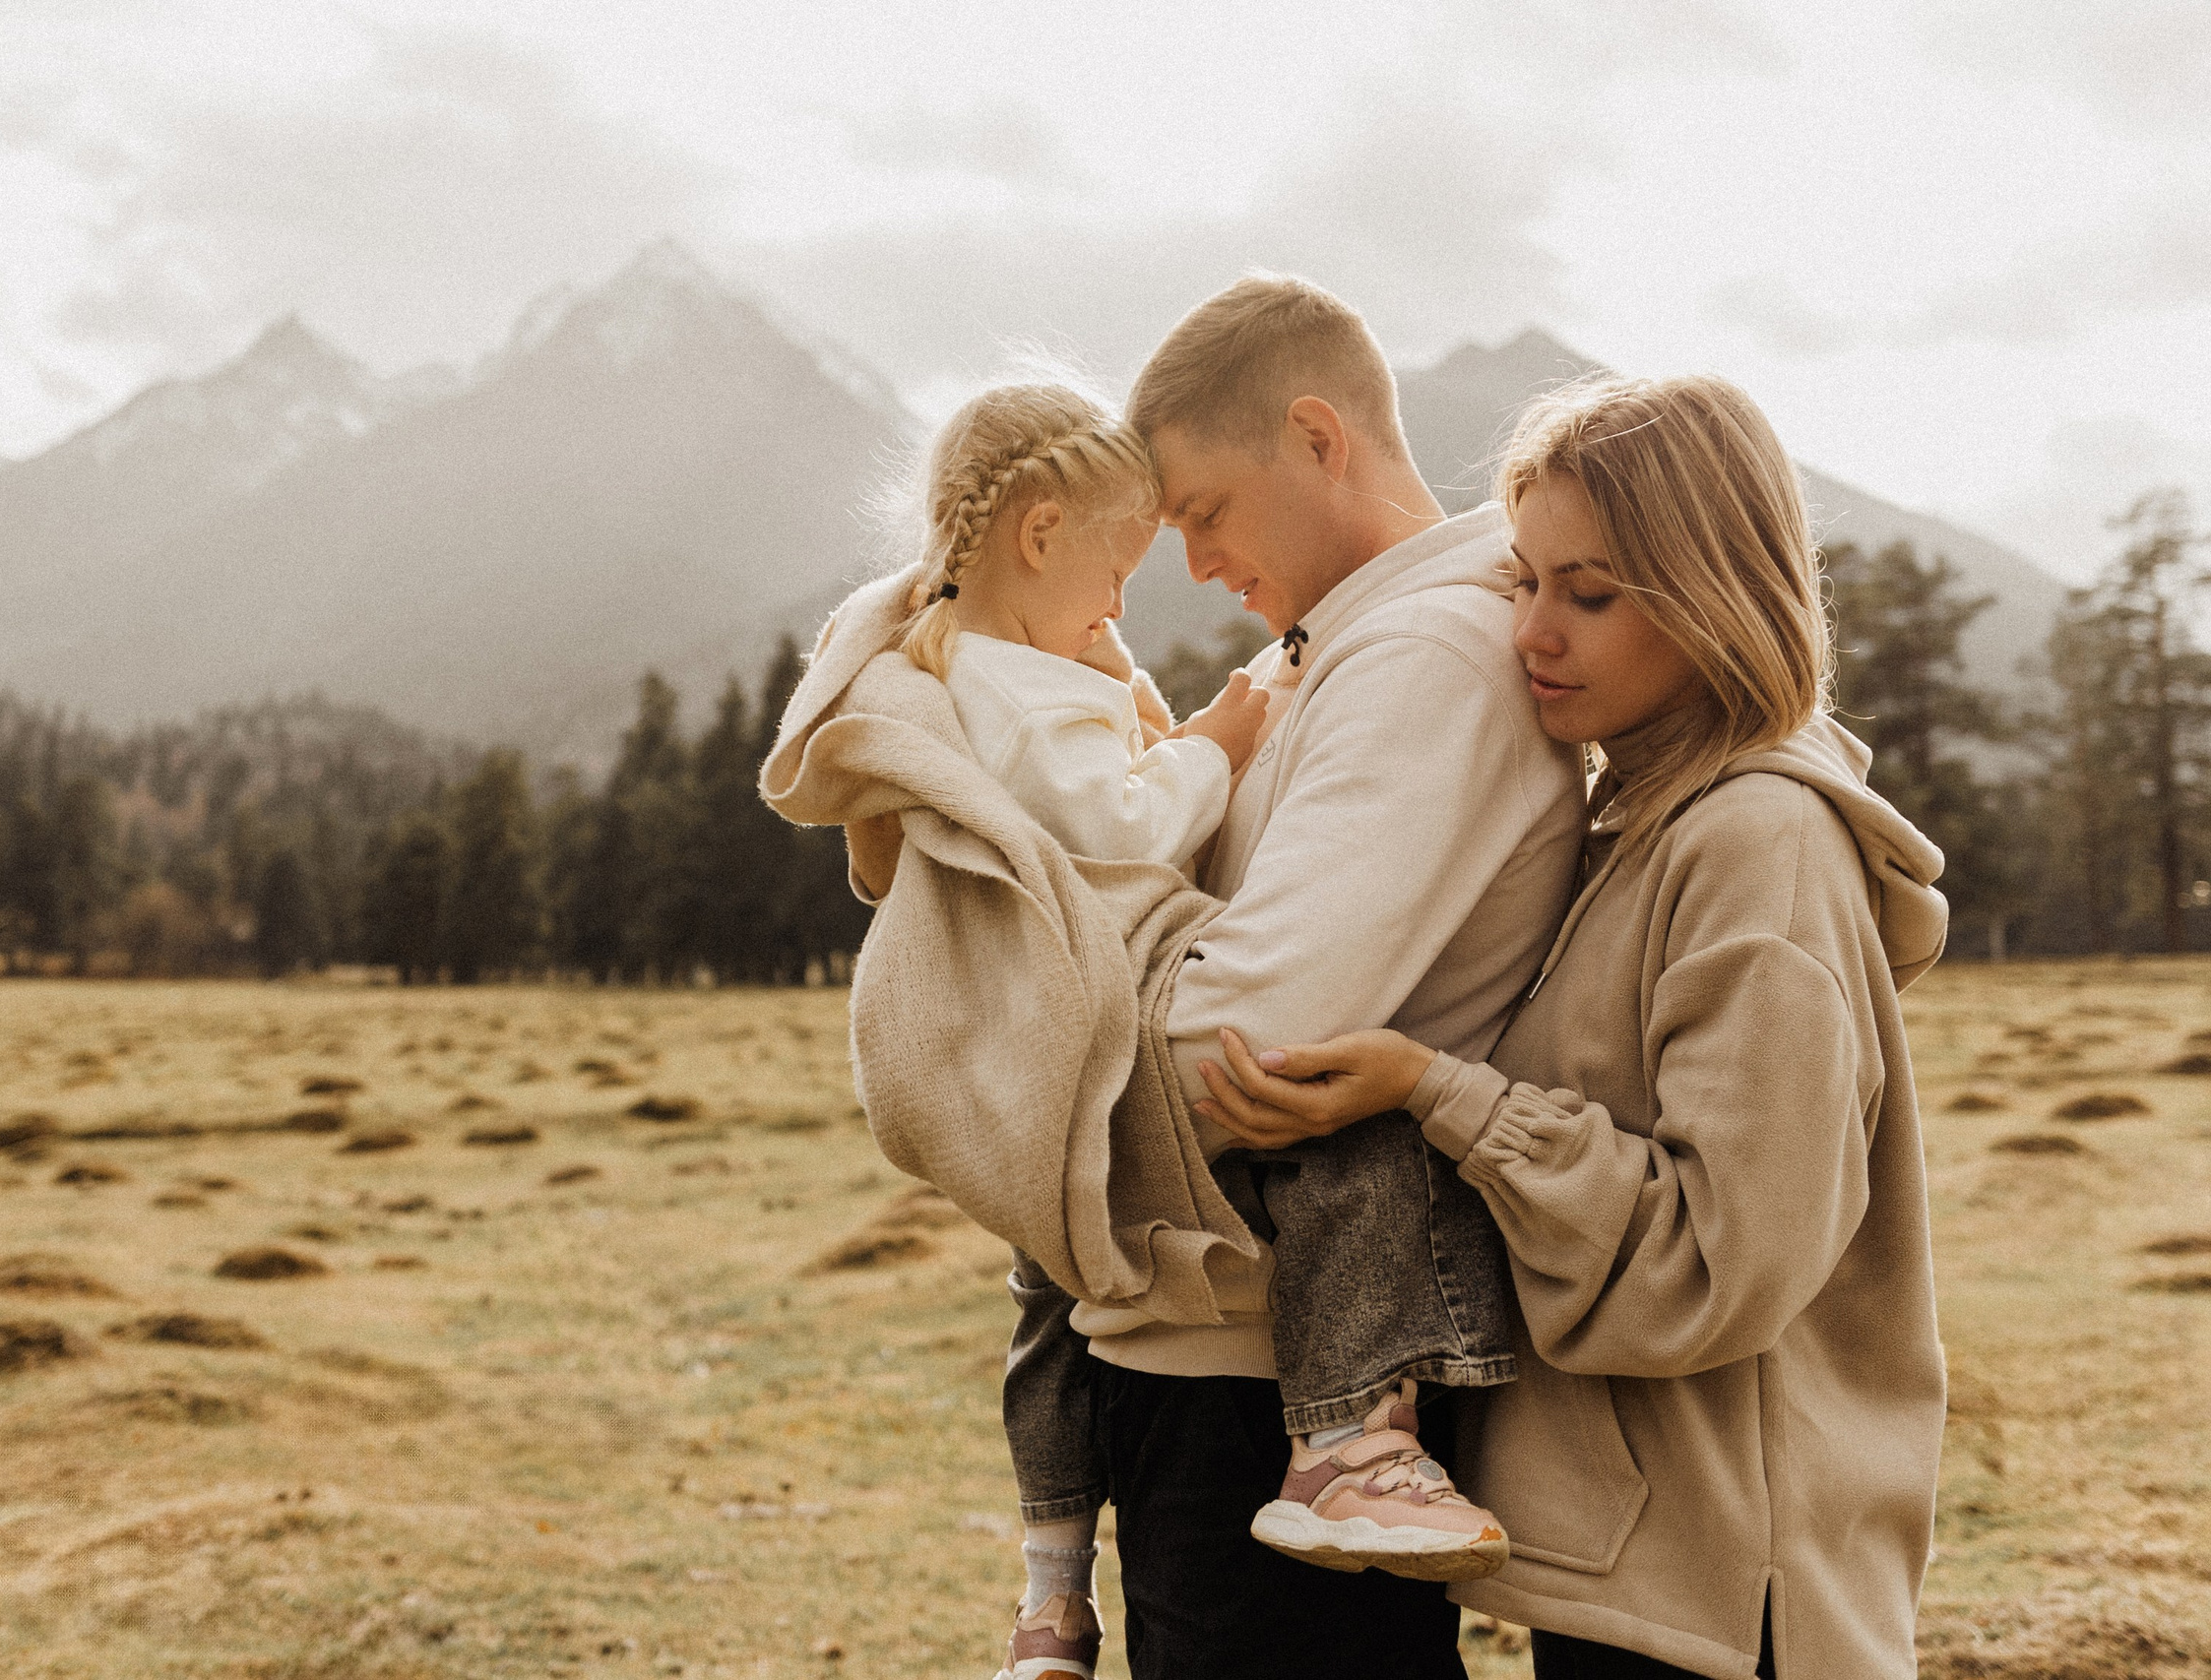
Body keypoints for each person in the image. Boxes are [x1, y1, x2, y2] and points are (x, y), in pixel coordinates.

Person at [1191, 373, 1948, 1680]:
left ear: (1718, 590)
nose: (1533, 631)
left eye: (1588, 593)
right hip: (1647, 1574)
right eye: (1523, 583)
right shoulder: (1635, 824)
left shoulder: (1756, 847)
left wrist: (1436, 1092)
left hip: (1735, 1602)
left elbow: (1716, 1262)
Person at [780, 378, 1536, 1680]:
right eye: (1126, 560)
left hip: (1083, 1106)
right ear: (1040, 532)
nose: (1138, 596)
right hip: (1129, 1014)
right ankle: (1351, 1439)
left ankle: (1050, 1591)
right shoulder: (1033, 685)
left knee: (1047, 1313)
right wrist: (1216, 740)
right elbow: (1125, 830)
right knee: (1358, 1138)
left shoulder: (954, 663)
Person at [1021, 275, 1589, 1678]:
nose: (1193, 564)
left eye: (1203, 511)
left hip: (1280, 1369)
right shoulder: (1331, 655)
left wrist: (1030, 1050)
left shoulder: (1429, 659)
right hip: (1228, 1338)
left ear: (1318, 438)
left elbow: (1238, 1030)